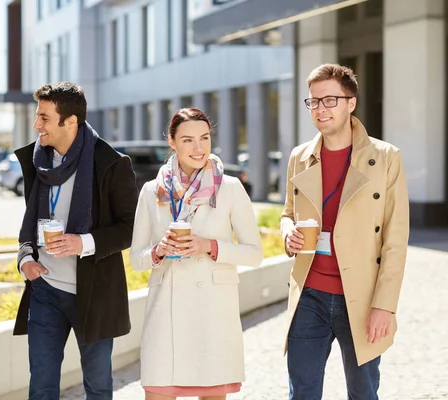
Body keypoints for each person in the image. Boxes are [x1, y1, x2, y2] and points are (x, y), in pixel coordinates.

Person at [280, 63, 409, 399]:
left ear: (351, 103)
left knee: (363, 392)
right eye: (314, 102)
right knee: (302, 392)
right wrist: (287, 232)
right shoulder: (300, 157)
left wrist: (385, 305)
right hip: (309, 292)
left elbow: (396, 239)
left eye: (330, 100)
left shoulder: (386, 157)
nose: (321, 109)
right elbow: (287, 214)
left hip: (362, 297)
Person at [13, 82, 138, 400]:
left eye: (43, 117)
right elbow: (29, 224)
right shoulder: (37, 161)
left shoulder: (111, 163)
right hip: (45, 291)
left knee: (97, 386)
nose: (36, 124)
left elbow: (129, 228)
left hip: (93, 293)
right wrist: (26, 257)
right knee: (41, 387)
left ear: (70, 122)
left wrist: (84, 243)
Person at [130, 108, 264, 400]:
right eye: (188, 140)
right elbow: (136, 258)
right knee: (159, 390)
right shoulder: (153, 191)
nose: (199, 147)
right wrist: (158, 250)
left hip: (213, 312)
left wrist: (210, 246)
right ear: (172, 141)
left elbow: (255, 254)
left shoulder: (230, 188)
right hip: (166, 310)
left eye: (204, 138)